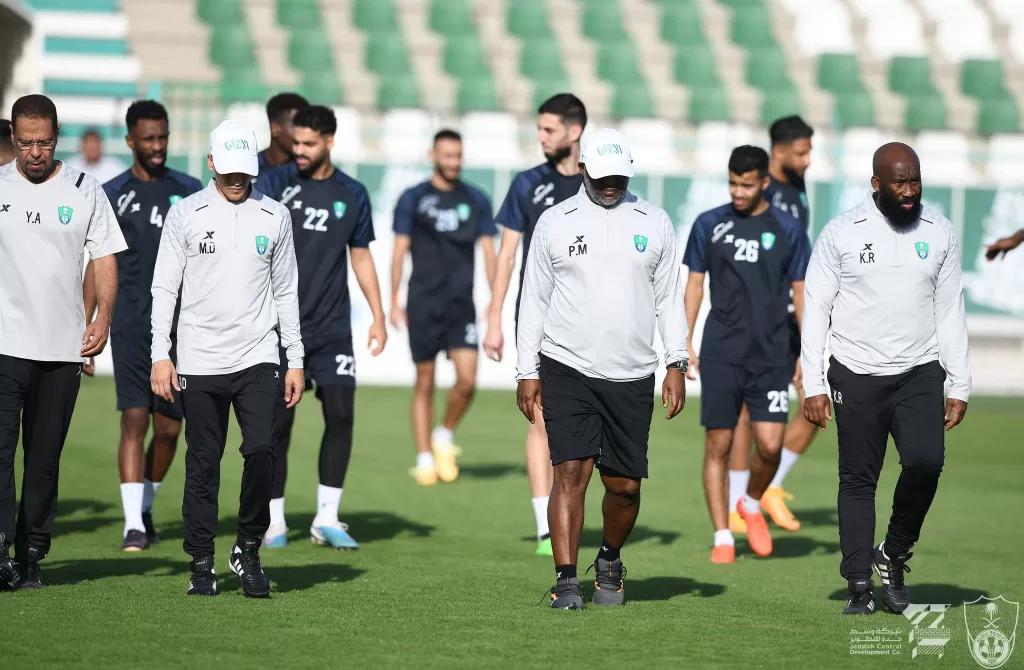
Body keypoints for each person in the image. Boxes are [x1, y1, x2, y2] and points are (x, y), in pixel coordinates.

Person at [516, 128, 688, 609]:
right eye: (603, 174)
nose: (611, 183)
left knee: (625, 488)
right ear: (582, 168)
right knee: (570, 471)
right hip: (566, 365)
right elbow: (533, 300)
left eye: (619, 176)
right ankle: (566, 580)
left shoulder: (654, 221)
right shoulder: (554, 221)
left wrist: (677, 360)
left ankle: (609, 556)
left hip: (633, 373)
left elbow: (669, 298)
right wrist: (526, 371)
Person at [802, 142, 971, 615]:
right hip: (855, 372)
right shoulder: (841, 233)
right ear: (876, 184)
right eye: (899, 181)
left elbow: (950, 309)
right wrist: (813, 382)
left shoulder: (940, 232)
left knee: (926, 463)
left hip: (920, 370)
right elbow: (815, 309)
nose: (910, 190)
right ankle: (859, 584)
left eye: (915, 179)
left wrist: (959, 382)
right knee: (858, 479)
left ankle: (893, 555)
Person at [150, 119, 305, 598]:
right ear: (212, 163)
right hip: (197, 359)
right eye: (229, 169)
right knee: (203, 462)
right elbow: (164, 287)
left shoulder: (274, 215)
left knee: (261, 449)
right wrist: (161, 353)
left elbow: (286, 291)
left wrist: (295, 357)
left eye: (246, 170)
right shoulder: (186, 214)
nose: (238, 179)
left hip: (258, 355)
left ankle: (248, 548)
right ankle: (201, 561)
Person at [0, 94, 127, 590]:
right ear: (13, 137)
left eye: (44, 142)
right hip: (6, 345)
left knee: (44, 456)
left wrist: (104, 317)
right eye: (26, 142)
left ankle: (33, 553)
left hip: (61, 348)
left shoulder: (86, 189)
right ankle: (2, 550)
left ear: (57, 138)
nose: (35, 152)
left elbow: (105, 259)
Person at [255, 105, 387, 550]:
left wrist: (379, 315)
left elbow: (362, 256)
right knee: (279, 425)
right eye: (296, 144)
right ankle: (273, 520)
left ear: (330, 141)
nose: (300, 152)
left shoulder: (352, 192)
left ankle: (326, 518)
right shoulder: (274, 184)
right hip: (280, 329)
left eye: (309, 144)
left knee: (342, 413)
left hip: (332, 329)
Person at [683, 146, 811, 565]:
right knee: (718, 443)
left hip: (774, 353)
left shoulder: (789, 229)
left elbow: (800, 293)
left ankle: (751, 503)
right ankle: (722, 535)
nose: (738, 192)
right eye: (733, 183)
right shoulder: (709, 224)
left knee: (770, 446)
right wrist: (684, 339)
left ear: (764, 183)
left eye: (747, 184)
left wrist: (807, 351)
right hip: (721, 351)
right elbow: (696, 285)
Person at [86, 100, 204, 552]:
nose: (157, 146)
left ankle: (146, 504)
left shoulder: (191, 189)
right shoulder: (112, 192)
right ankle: (133, 523)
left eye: (163, 137)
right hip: (132, 322)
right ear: (131, 140)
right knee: (134, 417)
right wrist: (92, 323)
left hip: (182, 327)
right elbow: (98, 264)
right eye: (148, 138)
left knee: (171, 427)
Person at [482, 93, 586, 556]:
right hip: (539, 321)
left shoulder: (598, 184)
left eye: (549, 130)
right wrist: (494, 315)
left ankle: (571, 509)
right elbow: (507, 255)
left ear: (574, 131)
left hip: (591, 324)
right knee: (541, 417)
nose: (541, 137)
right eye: (539, 129)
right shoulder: (526, 184)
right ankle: (546, 523)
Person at [725, 115, 815, 536]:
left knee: (817, 402)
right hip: (757, 324)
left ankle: (768, 489)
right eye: (802, 152)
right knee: (745, 413)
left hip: (790, 320)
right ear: (777, 151)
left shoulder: (797, 189)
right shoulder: (761, 192)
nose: (809, 160)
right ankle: (735, 504)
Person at [391, 130, 496, 486]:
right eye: (447, 155)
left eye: (458, 156)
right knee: (425, 382)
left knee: (467, 380)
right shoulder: (413, 198)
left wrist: (496, 301)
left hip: (461, 305)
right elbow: (399, 250)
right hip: (422, 302)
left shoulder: (477, 199)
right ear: (432, 154)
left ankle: (444, 434)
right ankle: (423, 457)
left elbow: (489, 251)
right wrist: (392, 300)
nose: (453, 162)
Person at [257, 92, 308, 175]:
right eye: (296, 126)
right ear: (275, 128)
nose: (304, 135)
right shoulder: (246, 171)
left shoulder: (309, 173)